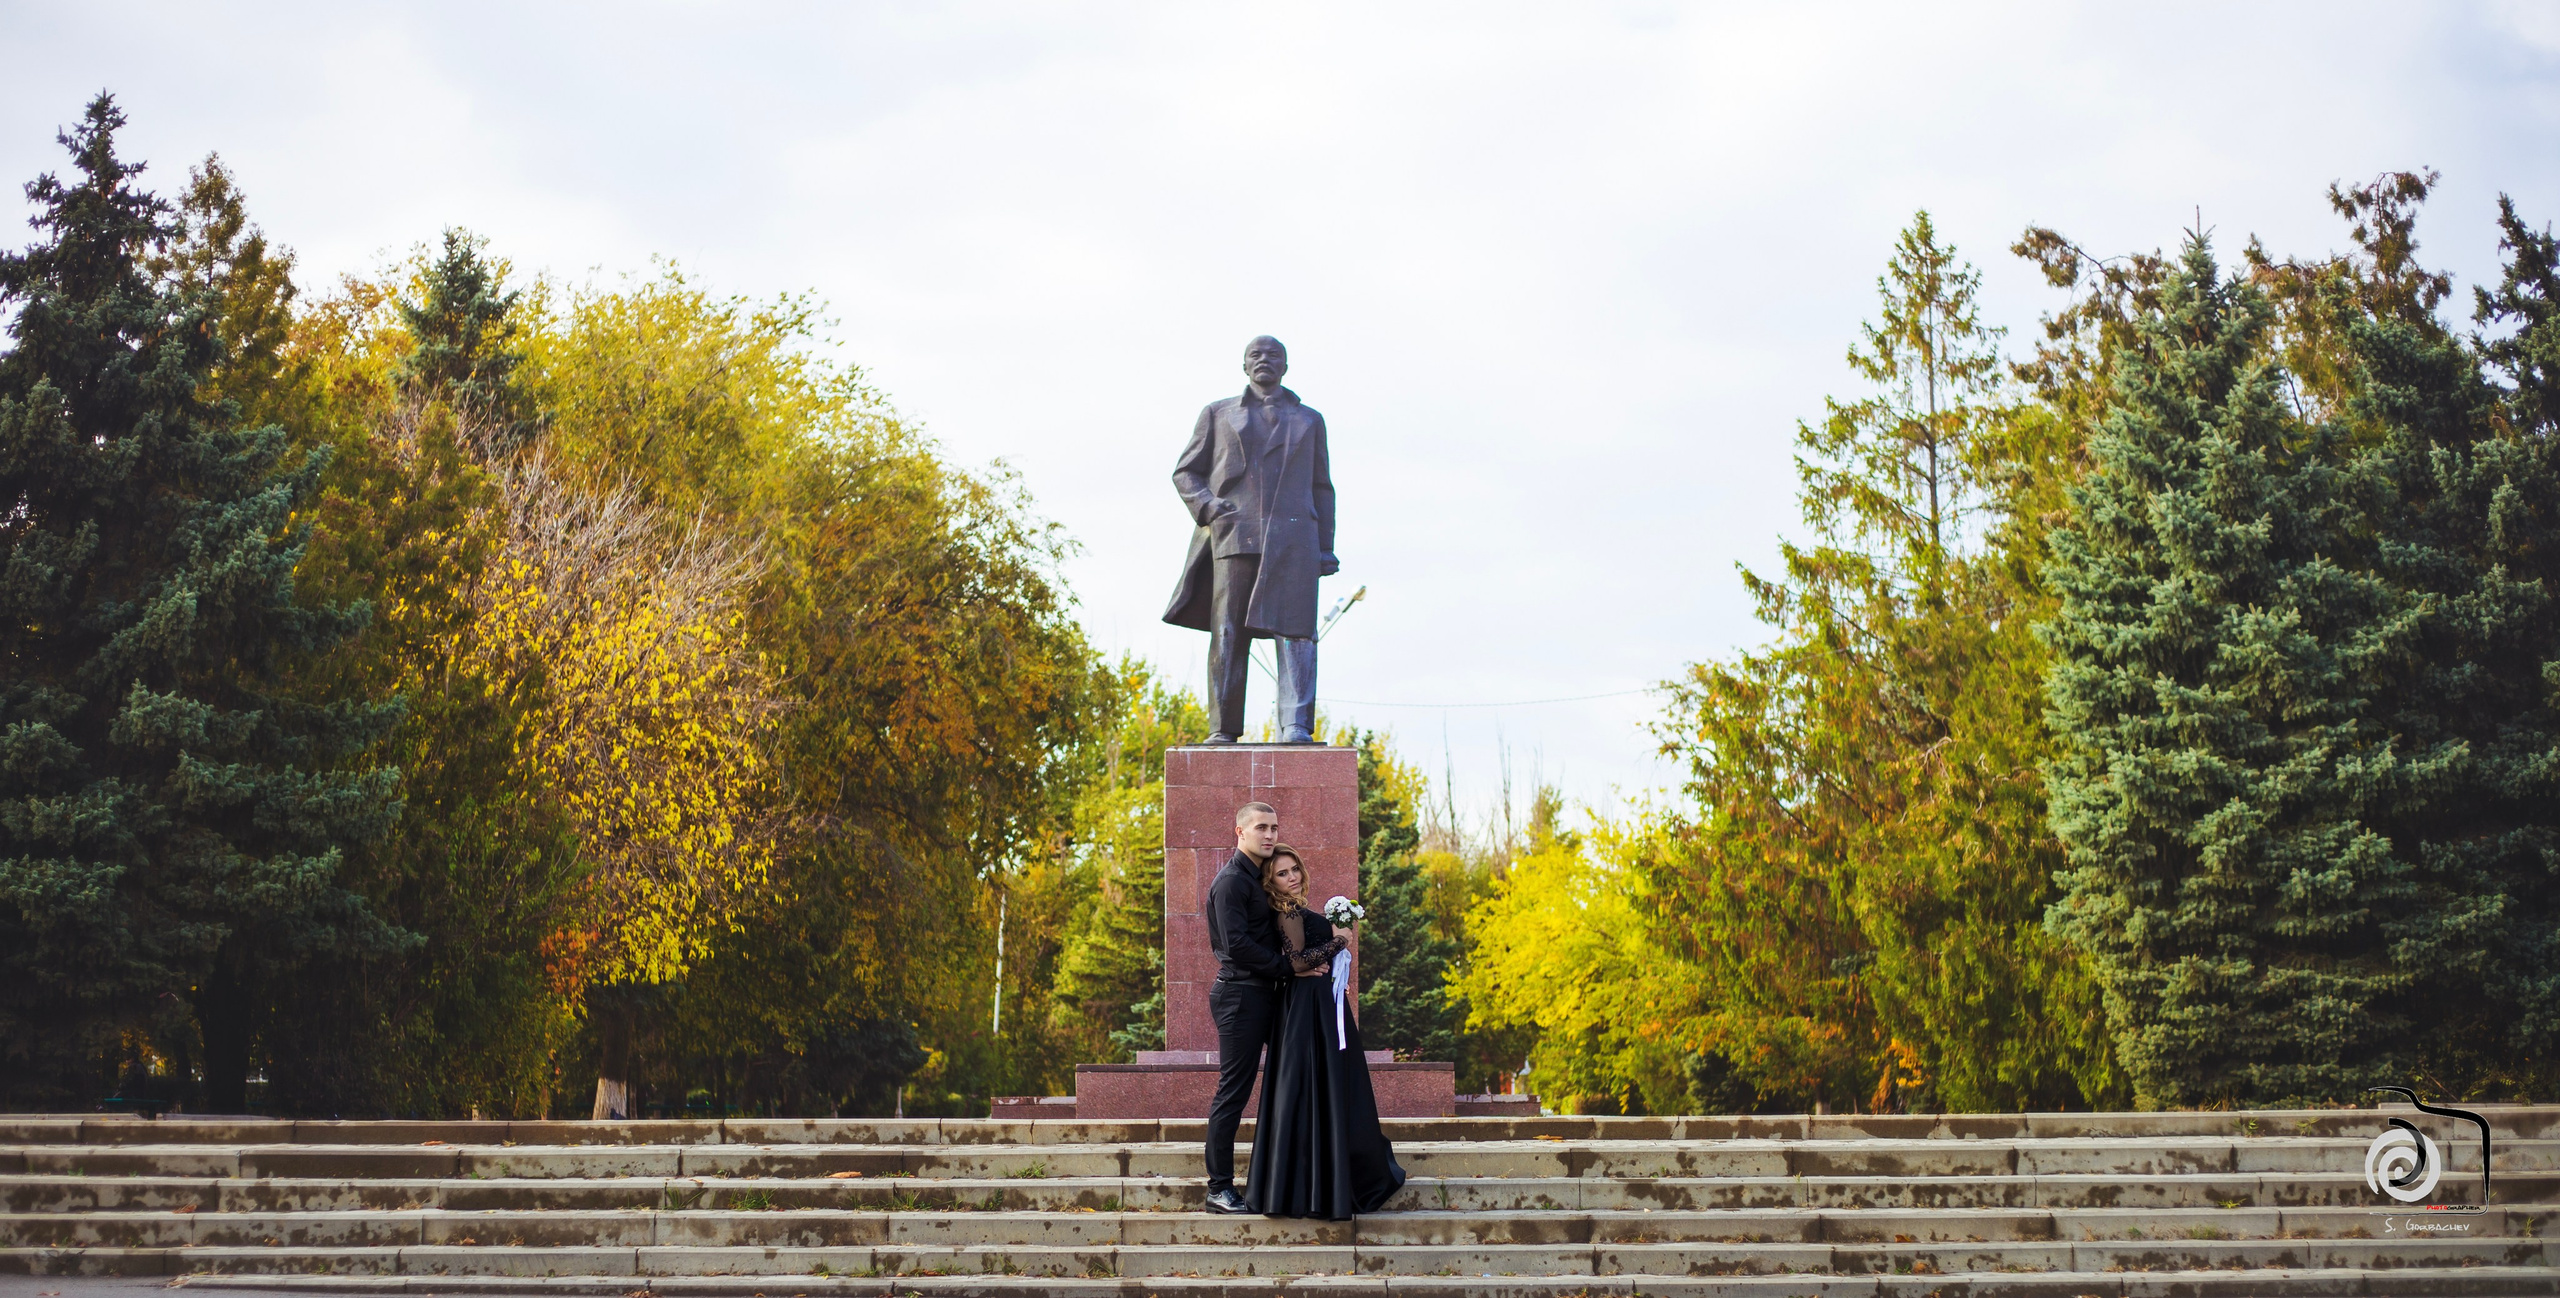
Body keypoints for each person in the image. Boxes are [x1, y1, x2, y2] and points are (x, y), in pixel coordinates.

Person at [1161, 335, 1339, 744]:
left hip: (1295, 538)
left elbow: (1321, 486)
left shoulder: (1310, 420)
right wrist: (1209, 506)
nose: (1264, 360)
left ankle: (1296, 725)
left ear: (1285, 366)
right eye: (1255, 355)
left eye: (1273, 355)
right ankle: (1222, 728)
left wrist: (1326, 547)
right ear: (1244, 366)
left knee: (1297, 633)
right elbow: (1185, 472)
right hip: (1234, 534)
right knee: (1228, 631)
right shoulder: (1218, 413)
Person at [1242, 846, 1408, 1219]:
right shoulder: (1288, 912)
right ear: (1271, 882)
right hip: (1307, 1010)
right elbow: (1298, 960)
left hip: (1320, 1004)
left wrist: (1332, 957)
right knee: (1314, 1087)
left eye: (1294, 869)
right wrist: (1340, 940)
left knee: (1329, 1087)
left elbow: (1305, 961)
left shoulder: (1298, 910)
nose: (1292, 877)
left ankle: (1326, 1182)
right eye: (1282, 873)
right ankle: (1313, 1190)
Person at [1201, 801, 1291, 1215]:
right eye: (1261, 827)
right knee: (1233, 1093)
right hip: (1239, 996)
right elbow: (1235, 945)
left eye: (1274, 827)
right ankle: (1218, 1189)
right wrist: (1289, 967)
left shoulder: (1260, 878)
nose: (1269, 835)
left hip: (1265, 993)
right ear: (1239, 832)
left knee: (1295, 1072)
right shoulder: (1231, 882)